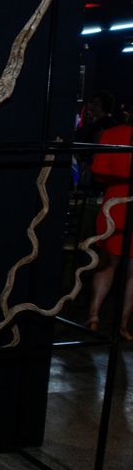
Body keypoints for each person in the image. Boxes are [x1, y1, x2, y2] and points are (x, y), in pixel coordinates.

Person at [86, 122, 133, 341]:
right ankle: (122, 325)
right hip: (121, 202)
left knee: (107, 264)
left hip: (115, 202)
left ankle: (94, 315)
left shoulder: (112, 134)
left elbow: (99, 170)